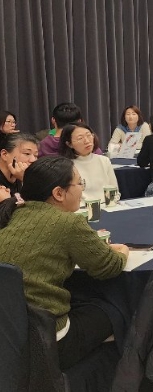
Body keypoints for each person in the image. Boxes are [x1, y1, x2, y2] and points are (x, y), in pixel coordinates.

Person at [0, 157, 128, 371]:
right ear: (59, 193)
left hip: (8, 333)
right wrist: (123, 252)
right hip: (46, 338)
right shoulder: (68, 223)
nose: (82, 189)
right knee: (114, 310)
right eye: (79, 183)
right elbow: (109, 266)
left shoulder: (12, 214)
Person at [59, 123, 118, 203]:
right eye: (80, 138)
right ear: (69, 144)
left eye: (89, 135)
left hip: (107, 206)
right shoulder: (66, 166)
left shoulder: (104, 160)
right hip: (81, 208)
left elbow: (114, 191)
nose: (87, 141)